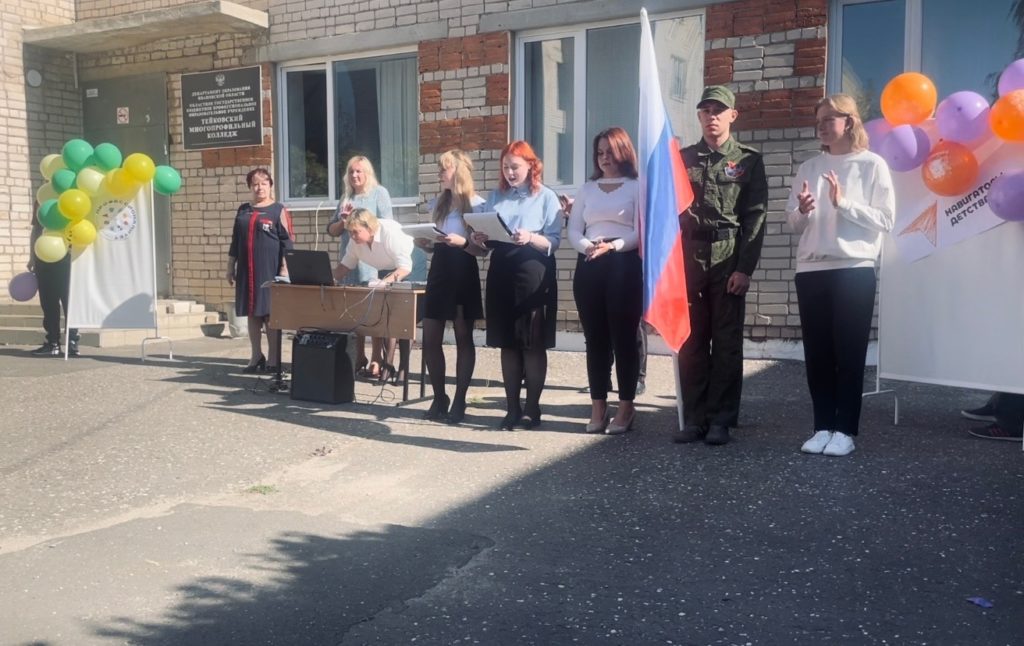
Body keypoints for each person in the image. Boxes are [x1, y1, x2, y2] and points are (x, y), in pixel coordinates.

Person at [785, 93, 895, 457]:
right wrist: (803, 211)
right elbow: (793, 223)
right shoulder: (809, 167)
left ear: (849, 122)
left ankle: (845, 430)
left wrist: (844, 203)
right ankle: (822, 426)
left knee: (849, 353)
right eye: (818, 120)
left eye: (828, 119)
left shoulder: (872, 165)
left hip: (853, 268)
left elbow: (886, 219)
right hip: (811, 269)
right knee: (817, 354)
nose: (821, 126)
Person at [672, 85, 768, 446]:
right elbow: (668, 212)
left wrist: (745, 269)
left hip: (728, 257)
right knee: (692, 342)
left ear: (732, 115)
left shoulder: (748, 160)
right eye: (706, 110)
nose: (712, 116)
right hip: (690, 257)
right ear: (699, 116)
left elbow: (755, 217)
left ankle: (721, 419)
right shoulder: (682, 159)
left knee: (726, 343)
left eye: (718, 110)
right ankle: (694, 419)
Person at [471, 140, 562, 430]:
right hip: (501, 271)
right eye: (505, 167)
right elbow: (486, 240)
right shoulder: (495, 196)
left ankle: (532, 408)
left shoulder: (546, 196)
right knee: (508, 343)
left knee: (532, 343)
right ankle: (512, 408)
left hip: (533, 270)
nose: (510, 172)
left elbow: (555, 241)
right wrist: (479, 239)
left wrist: (531, 237)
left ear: (531, 166)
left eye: (515, 167)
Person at [567, 127, 642, 435]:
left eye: (610, 152)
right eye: (599, 153)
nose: (604, 158)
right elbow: (574, 229)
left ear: (623, 152)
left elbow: (640, 231)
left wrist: (613, 246)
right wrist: (589, 247)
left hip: (624, 263)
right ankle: (598, 404)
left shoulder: (637, 186)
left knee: (623, 338)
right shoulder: (587, 188)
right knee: (595, 338)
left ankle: (626, 406)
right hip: (590, 262)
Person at [415, 150, 487, 425]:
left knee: (462, 336)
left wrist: (463, 242)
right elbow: (437, 243)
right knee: (430, 337)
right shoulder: (438, 203)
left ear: (458, 172)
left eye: (443, 169)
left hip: (463, 270)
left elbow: (483, 251)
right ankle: (439, 397)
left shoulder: (477, 205)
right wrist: (425, 244)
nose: (439, 174)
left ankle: (460, 399)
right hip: (440, 271)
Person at [326, 156, 394, 378]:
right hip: (349, 260)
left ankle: (376, 358)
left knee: (372, 310)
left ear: (367, 173)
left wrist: (363, 226)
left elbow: (388, 224)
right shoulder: (346, 197)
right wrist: (344, 221)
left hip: (372, 260)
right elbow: (332, 230)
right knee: (354, 310)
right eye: (351, 172)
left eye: (359, 171)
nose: (354, 175)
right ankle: (359, 356)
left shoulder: (379, 193)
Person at [332, 207, 418, 384]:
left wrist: (384, 282)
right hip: (386, 268)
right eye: (350, 232)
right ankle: (386, 365)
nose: (352, 236)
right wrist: (328, 279)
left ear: (370, 228)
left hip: (411, 264)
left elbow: (405, 267)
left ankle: (402, 368)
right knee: (383, 314)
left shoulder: (390, 233)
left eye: (356, 232)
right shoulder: (355, 241)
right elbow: (345, 266)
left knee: (402, 316)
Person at [227, 168, 294, 373]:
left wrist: (284, 268)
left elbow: (288, 242)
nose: (259, 188)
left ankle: (273, 359)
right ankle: (256, 356)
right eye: (255, 184)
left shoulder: (278, 210)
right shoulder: (243, 210)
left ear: (270, 185)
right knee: (252, 313)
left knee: (269, 314)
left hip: (269, 269)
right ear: (250, 187)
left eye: (264, 183)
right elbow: (235, 241)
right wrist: (230, 266)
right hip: (246, 270)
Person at [28, 201, 79, 357]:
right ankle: (53, 343)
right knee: (49, 302)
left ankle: (72, 342)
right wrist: (32, 257)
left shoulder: (73, 197)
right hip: (44, 257)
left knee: (70, 301)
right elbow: (36, 229)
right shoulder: (41, 198)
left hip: (68, 258)